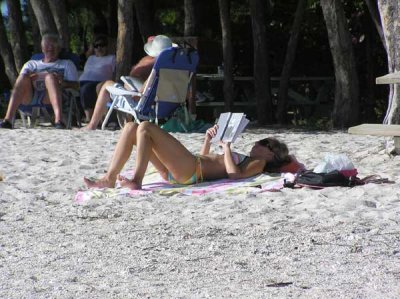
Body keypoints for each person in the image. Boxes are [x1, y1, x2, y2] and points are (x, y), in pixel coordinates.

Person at [84, 121, 300, 190]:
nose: (257, 143)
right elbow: (207, 159)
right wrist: (208, 140)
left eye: (263, 143)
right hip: (187, 167)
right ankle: (109, 179)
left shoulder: (259, 163)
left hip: (191, 170)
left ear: (272, 154)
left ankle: (137, 181)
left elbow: (234, 175)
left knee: (146, 128)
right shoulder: (250, 156)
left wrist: (226, 148)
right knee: (131, 127)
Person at [82, 35, 174, 130]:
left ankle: (92, 125)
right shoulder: (175, 69)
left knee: (106, 85)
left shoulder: (156, 68)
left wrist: (130, 93)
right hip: (169, 106)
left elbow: (141, 94)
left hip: (143, 103)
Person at [0, 34, 79, 129]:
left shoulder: (67, 64)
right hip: (30, 98)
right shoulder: (31, 64)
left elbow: (76, 86)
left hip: (52, 98)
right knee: (23, 77)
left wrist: (63, 82)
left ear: (59, 48)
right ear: (42, 49)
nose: (50, 48)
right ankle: (7, 119)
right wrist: (33, 76)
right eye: (47, 45)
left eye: (53, 45)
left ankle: (58, 120)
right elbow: (21, 83)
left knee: (50, 77)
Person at [79, 35, 116, 122]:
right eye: (96, 46)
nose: (99, 48)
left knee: (86, 89)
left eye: (102, 45)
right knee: (83, 89)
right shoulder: (91, 58)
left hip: (100, 82)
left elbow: (115, 73)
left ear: (107, 47)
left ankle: (91, 118)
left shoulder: (111, 58)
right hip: (84, 82)